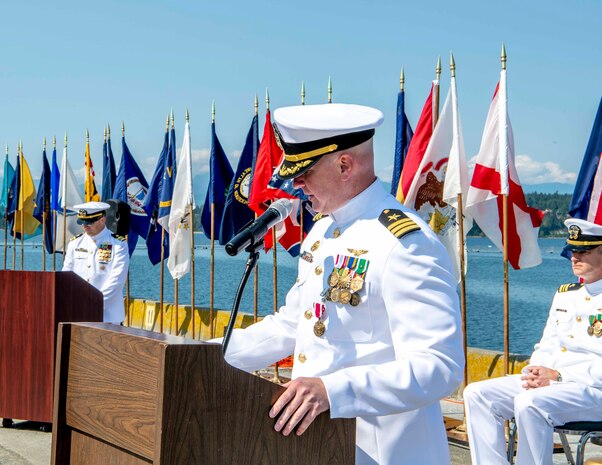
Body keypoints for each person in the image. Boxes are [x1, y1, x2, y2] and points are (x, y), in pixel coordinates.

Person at [221, 103, 464, 465]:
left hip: (385, 453)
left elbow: (440, 366)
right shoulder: (322, 231)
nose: (296, 184)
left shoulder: (404, 242)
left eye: (304, 172)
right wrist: (203, 355)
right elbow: (294, 324)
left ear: (345, 166)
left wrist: (333, 391)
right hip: (319, 446)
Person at [464, 218, 602, 465]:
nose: (574, 257)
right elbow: (547, 345)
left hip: (593, 390)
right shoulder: (566, 295)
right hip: (555, 384)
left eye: (584, 251)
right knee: (477, 394)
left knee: (530, 403)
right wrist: (534, 371)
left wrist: (559, 376)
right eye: (572, 250)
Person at [62, 201, 129, 324]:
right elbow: (66, 276)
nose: (85, 226)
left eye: (89, 222)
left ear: (102, 220)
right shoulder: (75, 243)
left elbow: (117, 279)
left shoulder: (118, 244)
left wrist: (95, 304)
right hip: (78, 313)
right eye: (82, 222)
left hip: (108, 317)